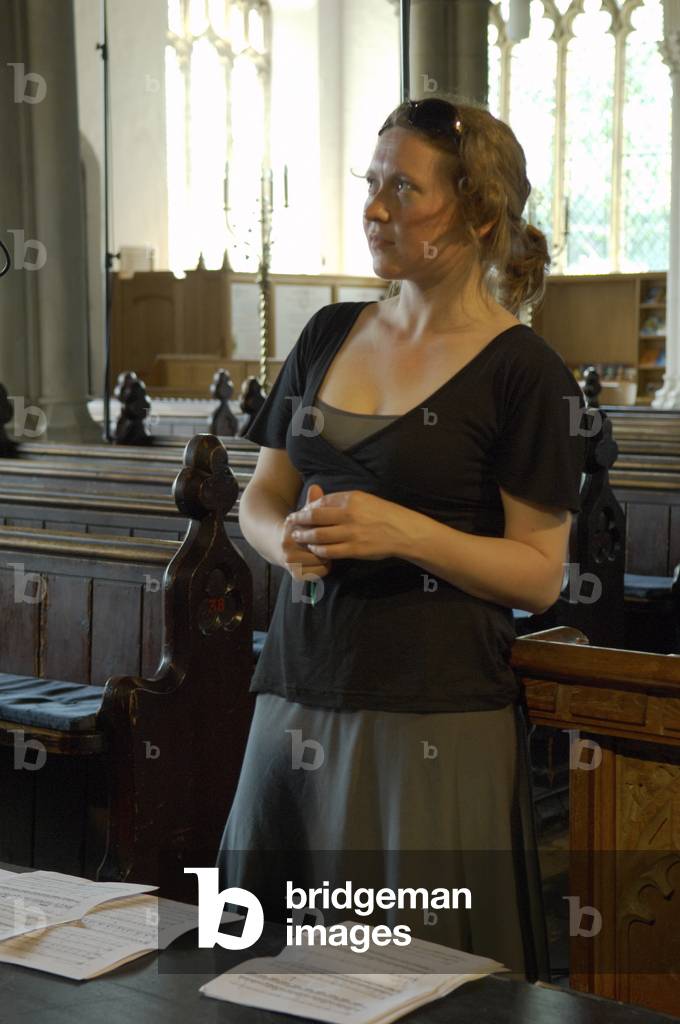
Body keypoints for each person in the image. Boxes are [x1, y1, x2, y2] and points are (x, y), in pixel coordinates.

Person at [216, 95, 587, 980]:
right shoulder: (328, 332)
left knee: (409, 981)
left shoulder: (524, 372)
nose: (375, 208)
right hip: (296, 689)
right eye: (370, 183)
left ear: (480, 212)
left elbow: (539, 577)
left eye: (403, 189)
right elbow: (260, 499)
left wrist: (402, 530)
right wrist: (286, 542)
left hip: (432, 714)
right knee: (263, 970)